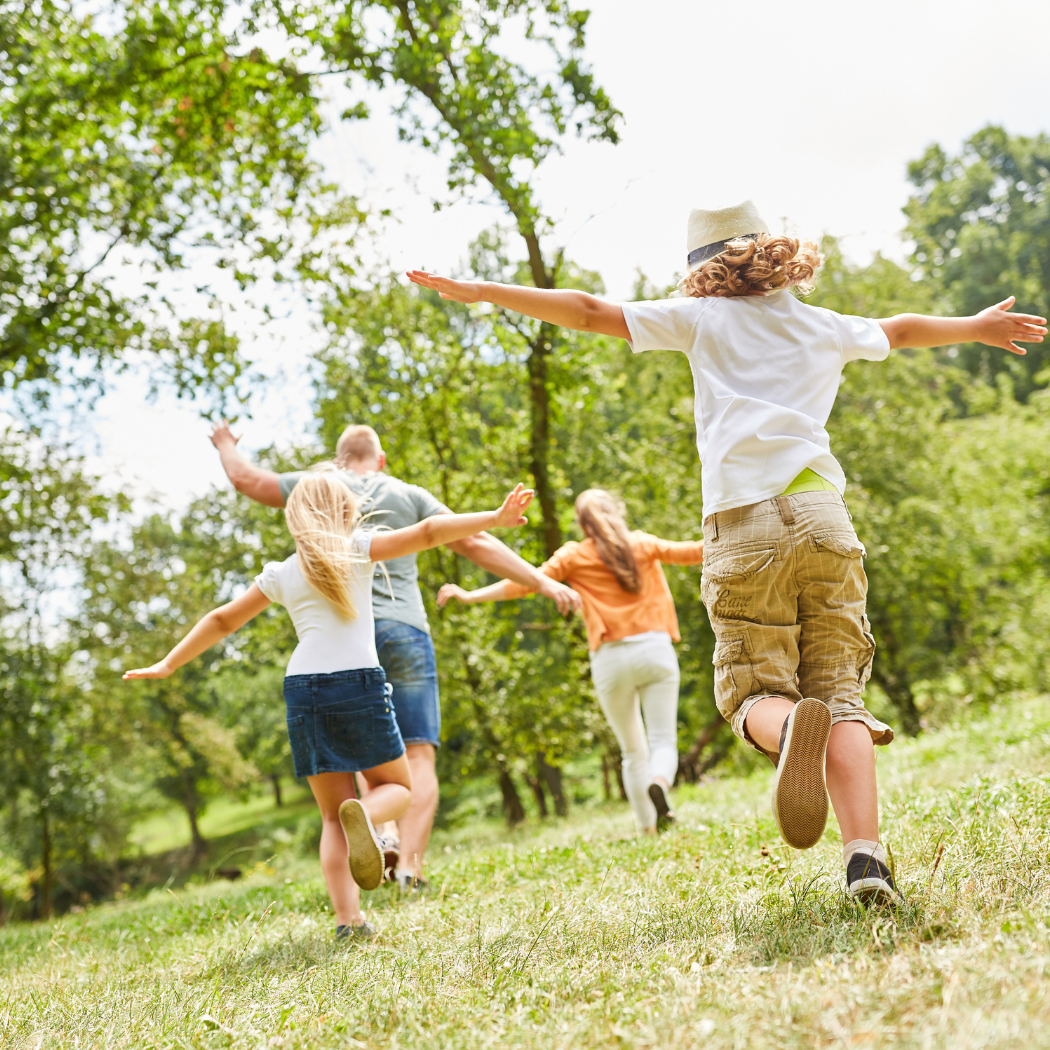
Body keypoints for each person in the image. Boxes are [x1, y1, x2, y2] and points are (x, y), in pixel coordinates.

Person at [407, 199, 1047, 904]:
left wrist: (485, 290)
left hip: (744, 524)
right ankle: (865, 861)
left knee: (750, 691)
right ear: (771, 253)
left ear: (702, 270)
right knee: (840, 695)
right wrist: (976, 326)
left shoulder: (702, 319)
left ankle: (788, 727)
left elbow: (588, 311)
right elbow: (899, 329)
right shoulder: (821, 324)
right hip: (824, 517)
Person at [124, 472, 536, 939]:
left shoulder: (281, 572)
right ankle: (366, 814)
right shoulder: (357, 549)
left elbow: (222, 620)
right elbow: (427, 532)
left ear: (295, 518)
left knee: (330, 816)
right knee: (399, 788)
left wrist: (168, 663)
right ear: (346, 512)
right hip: (358, 682)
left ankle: (347, 921)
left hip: (303, 688)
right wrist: (494, 517)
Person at [209, 421, 580, 893]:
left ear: (339, 460)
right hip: (404, 631)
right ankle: (410, 869)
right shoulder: (407, 493)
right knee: (417, 755)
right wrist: (541, 580)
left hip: (343, 643)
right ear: (380, 460)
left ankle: (380, 834)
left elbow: (247, 480)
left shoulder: (317, 486)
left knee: (369, 753)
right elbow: (470, 540)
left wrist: (225, 444)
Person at [438, 488, 703, 834]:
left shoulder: (574, 555)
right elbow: (696, 551)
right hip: (654, 650)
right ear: (616, 512)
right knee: (662, 741)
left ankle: (647, 829)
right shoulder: (643, 544)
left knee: (632, 751)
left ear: (582, 523)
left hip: (610, 660)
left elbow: (526, 582)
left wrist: (471, 595)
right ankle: (660, 782)